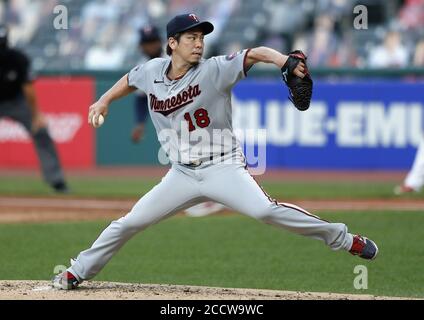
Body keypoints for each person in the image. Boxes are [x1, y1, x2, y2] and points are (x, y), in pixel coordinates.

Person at [52, 13, 378, 290]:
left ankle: (344, 239)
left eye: (201, 38)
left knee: (265, 211)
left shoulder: (214, 70)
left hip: (223, 167)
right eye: (191, 37)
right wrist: (104, 100)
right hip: (180, 173)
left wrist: (283, 61)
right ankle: (77, 271)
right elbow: (130, 78)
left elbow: (255, 53)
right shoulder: (152, 71)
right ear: (172, 44)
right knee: (128, 223)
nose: (198, 43)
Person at [133, 24, 225, 217]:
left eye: (152, 41)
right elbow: (141, 98)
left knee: (207, 153)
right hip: (178, 118)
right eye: (146, 42)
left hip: (201, 111)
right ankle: (200, 196)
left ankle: (218, 194)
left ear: (162, 41)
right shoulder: (148, 67)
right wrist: (140, 123)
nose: (149, 46)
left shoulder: (172, 60)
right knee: (182, 155)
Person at [0, 24, 69, 193]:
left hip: (16, 101)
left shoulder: (18, 59)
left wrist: (36, 114)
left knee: (41, 132)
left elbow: (28, 88)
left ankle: (56, 179)